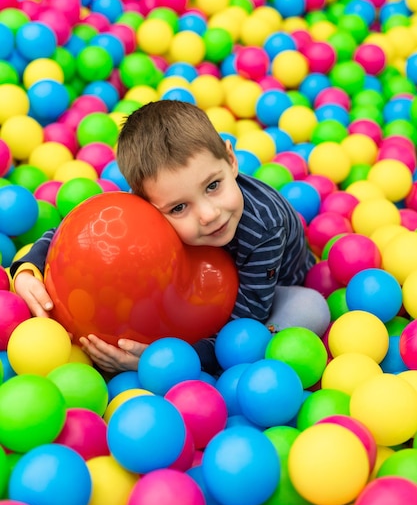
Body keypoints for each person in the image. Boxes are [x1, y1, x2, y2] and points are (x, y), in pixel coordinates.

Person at [11, 100, 330, 375]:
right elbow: (74, 236)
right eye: (179, 207)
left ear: (231, 160)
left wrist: (161, 360)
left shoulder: (263, 228)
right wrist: (29, 270)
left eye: (213, 186)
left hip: (271, 291)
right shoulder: (150, 209)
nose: (208, 214)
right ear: (146, 204)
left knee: (310, 310)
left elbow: (244, 322)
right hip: (189, 289)